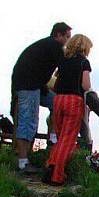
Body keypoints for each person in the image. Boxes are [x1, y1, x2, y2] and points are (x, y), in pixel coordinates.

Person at [10, 22, 72, 173]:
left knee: (56, 102)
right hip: (28, 85)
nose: (68, 41)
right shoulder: (53, 45)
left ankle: (52, 137)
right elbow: (64, 67)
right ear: (58, 35)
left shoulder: (47, 46)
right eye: (67, 37)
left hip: (36, 84)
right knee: (29, 120)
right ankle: (23, 162)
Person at [44, 34, 93, 186]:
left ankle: (50, 166)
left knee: (60, 138)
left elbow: (55, 83)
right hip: (73, 101)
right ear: (84, 47)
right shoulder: (84, 62)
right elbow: (85, 85)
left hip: (58, 99)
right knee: (68, 139)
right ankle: (56, 175)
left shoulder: (63, 61)